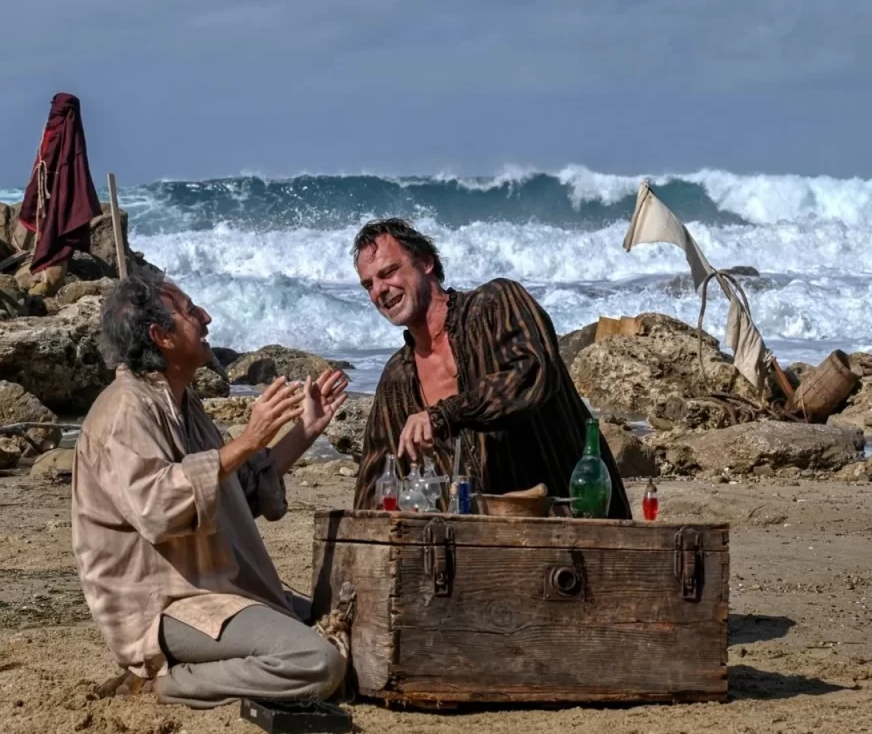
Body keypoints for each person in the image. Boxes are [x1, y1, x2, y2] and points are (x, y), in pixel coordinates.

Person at [71, 272, 350, 709]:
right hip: (166, 604)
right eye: (190, 312)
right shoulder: (126, 409)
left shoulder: (181, 402)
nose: (207, 317)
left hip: (213, 589)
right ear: (160, 336)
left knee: (345, 623)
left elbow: (237, 491)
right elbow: (158, 509)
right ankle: (169, 684)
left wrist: (304, 432)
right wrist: (247, 440)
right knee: (318, 662)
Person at [350, 217, 631, 518]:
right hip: (479, 548)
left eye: (389, 272)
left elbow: (532, 375)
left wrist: (446, 414)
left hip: (574, 526)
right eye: (369, 284)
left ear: (426, 262)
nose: (379, 290)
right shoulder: (397, 379)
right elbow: (377, 480)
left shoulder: (496, 304)